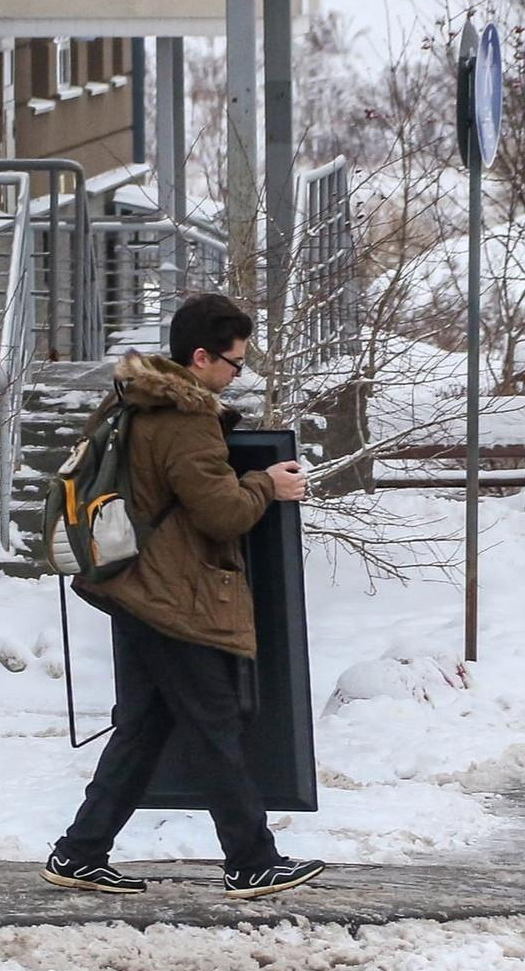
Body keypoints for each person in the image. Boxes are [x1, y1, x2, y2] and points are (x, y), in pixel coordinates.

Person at [43, 293, 327, 900]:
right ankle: (252, 861)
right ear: (202, 358)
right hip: (172, 594)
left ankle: (81, 850)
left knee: (145, 724)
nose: (238, 376)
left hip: (131, 583)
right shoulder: (188, 419)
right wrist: (264, 484)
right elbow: (222, 514)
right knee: (215, 722)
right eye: (234, 364)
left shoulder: (135, 403)